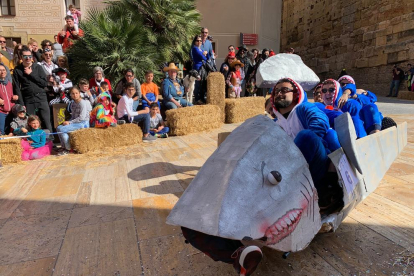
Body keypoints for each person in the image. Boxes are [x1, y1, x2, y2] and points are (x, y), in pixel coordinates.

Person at [182, 78, 342, 276]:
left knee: (306, 137)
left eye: (285, 90)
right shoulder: (273, 124)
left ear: (297, 93)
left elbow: (319, 125)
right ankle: (238, 254)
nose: (280, 94)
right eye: (276, 92)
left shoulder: (303, 110)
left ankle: (315, 198)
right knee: (191, 220)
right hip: (276, 180)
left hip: (308, 171)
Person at [13, 46, 53, 132]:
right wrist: (21, 103)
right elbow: (17, 88)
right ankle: (33, 142)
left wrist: (31, 74)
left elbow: (44, 83)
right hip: (28, 99)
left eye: (30, 56)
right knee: (31, 123)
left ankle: (50, 142)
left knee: (46, 121)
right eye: (25, 56)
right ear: (21, 57)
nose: (28, 58)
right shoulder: (17, 70)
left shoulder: (38, 67)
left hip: (41, 98)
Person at [57, 87, 91, 155]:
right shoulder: (72, 103)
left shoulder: (82, 103)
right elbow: (73, 116)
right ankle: (63, 146)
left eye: (76, 93)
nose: (75, 95)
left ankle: (68, 149)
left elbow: (82, 117)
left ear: (79, 93)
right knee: (58, 128)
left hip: (83, 123)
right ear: (70, 95)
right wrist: (68, 121)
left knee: (63, 130)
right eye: (73, 93)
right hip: (76, 122)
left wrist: (70, 122)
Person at [0, 63, 17, 135]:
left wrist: (14, 97)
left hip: (10, 112)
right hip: (1, 112)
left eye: (3, 70)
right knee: (1, 131)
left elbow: (10, 95)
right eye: (0, 70)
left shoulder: (9, 83)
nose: (2, 72)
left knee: (9, 132)